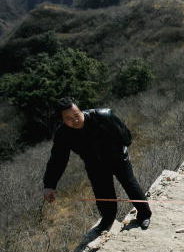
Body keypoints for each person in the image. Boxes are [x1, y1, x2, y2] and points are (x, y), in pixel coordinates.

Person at [43, 97, 152, 231]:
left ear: (80, 110)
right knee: (103, 194)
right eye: (69, 119)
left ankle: (144, 214)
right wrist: (49, 184)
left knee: (130, 184)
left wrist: (117, 149)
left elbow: (125, 136)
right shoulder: (63, 134)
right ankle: (108, 220)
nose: (75, 120)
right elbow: (58, 160)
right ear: (62, 120)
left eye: (76, 115)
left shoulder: (104, 116)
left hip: (117, 158)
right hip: (94, 164)